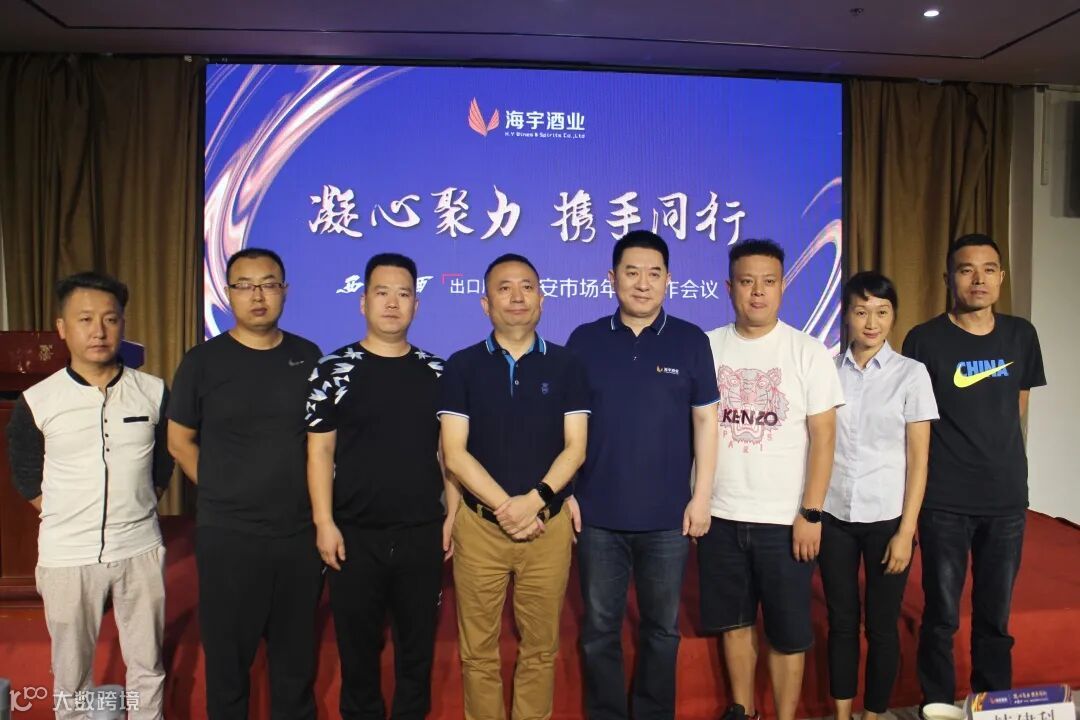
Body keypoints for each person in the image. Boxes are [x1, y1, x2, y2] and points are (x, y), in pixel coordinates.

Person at [566, 230, 719, 720]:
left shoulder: (691, 341)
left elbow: (706, 422)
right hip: (597, 515)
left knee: (661, 630)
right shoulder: (585, 341)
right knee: (599, 631)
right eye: (631, 272)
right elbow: (566, 426)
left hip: (668, 517)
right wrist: (566, 493)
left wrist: (701, 497)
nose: (642, 283)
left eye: (654, 273)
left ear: (669, 280)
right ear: (612, 278)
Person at [7, 271, 172, 720]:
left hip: (138, 547)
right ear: (62, 328)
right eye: (85, 320)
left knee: (147, 666)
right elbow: (26, 476)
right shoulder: (38, 401)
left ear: (122, 324)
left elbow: (163, 466)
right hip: (66, 554)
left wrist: (132, 509)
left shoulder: (153, 392)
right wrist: (71, 517)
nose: (98, 331)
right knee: (71, 673)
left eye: (110, 319)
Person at [167, 248, 323, 720]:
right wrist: (221, 489)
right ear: (228, 293)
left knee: (295, 666)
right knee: (229, 665)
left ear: (285, 291)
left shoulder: (307, 356)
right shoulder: (202, 362)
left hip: (297, 535)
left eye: (269, 284)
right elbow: (179, 441)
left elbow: (321, 444)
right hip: (228, 536)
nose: (258, 295)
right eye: (245, 285)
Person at [438, 253, 589, 720]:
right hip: (480, 528)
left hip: (548, 527)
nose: (517, 296)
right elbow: (454, 453)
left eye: (527, 286)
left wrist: (536, 501)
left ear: (542, 298)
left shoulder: (567, 365)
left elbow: (576, 448)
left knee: (541, 649)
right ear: (485, 303)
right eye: (504, 288)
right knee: (478, 653)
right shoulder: (462, 366)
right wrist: (509, 507)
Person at [700, 238, 844, 720]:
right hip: (720, 514)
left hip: (785, 520)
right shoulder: (707, 347)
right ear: (729, 288)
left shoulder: (808, 351)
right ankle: (743, 710)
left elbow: (824, 437)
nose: (757, 292)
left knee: (787, 632)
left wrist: (811, 512)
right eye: (747, 282)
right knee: (734, 623)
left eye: (768, 282)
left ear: (783, 287)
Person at [306, 253, 451, 720]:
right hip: (353, 533)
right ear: (363, 301)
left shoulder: (438, 373)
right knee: (357, 654)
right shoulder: (333, 369)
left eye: (403, 294)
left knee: (417, 653)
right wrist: (323, 522)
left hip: (421, 532)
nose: (392, 303)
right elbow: (319, 452)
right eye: (382, 292)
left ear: (416, 305)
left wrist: (452, 515)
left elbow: (448, 455)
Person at [902, 234, 1046, 706]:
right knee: (941, 615)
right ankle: (938, 704)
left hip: (1006, 499)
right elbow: (915, 421)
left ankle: (993, 704)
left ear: (1001, 277)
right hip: (944, 499)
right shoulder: (924, 339)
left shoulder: (1021, 335)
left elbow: (1017, 405)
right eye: (966, 270)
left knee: (994, 616)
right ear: (948, 278)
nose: (978, 279)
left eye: (988, 269)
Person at [819, 271, 938, 720]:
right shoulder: (826, 371)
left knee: (882, 627)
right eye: (861, 311)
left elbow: (919, 461)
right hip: (833, 516)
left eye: (882, 312)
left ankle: (873, 714)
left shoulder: (912, 374)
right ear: (846, 316)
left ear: (893, 316)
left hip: (888, 518)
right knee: (841, 623)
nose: (871, 322)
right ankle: (842, 714)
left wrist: (907, 532)